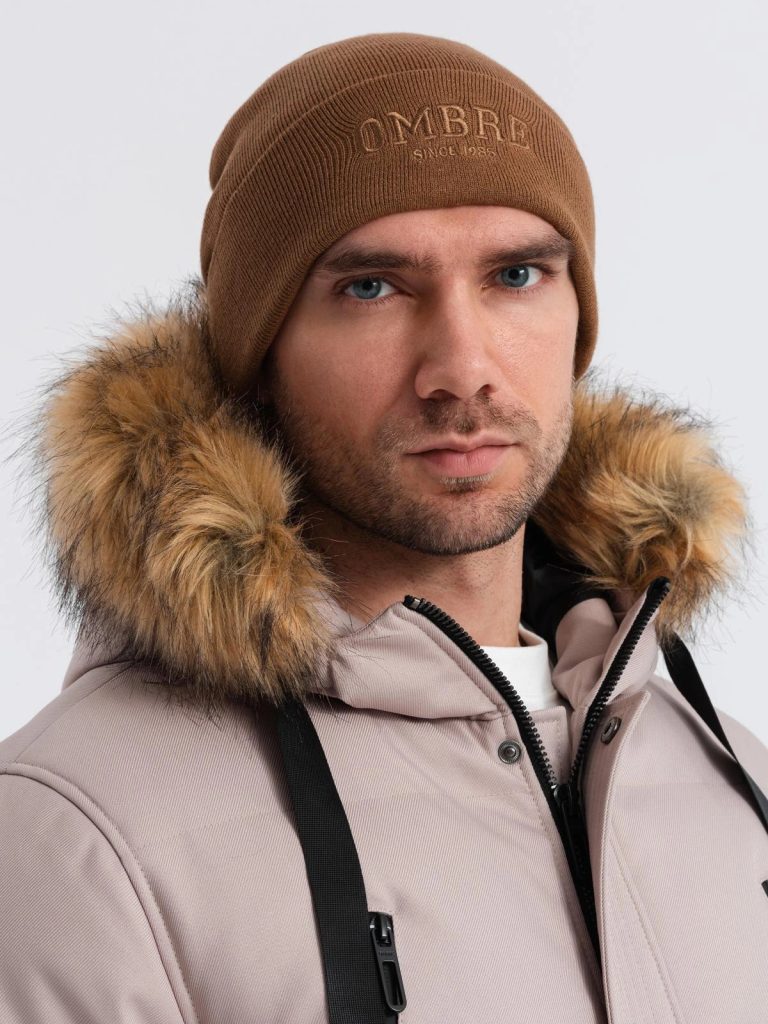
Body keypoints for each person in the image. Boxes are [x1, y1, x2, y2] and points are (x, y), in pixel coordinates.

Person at [1, 31, 767, 1024]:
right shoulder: (80, 834)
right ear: (257, 354)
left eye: (517, 276)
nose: (464, 370)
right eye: (371, 287)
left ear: (578, 318)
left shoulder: (729, 779)